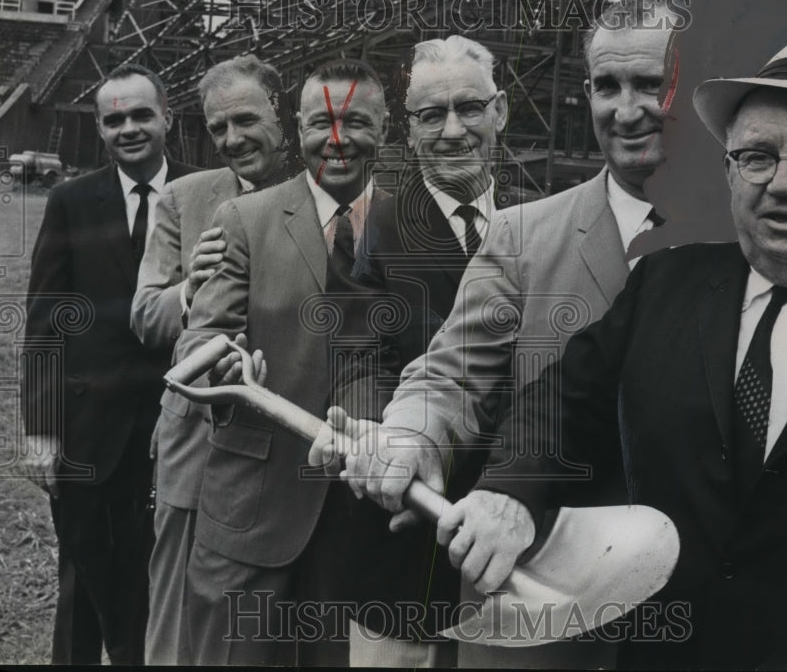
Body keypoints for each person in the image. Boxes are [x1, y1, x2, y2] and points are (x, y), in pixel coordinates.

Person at [434, 21, 787, 668]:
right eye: (757, 156)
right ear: (730, 172)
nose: (782, 182)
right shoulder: (665, 284)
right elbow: (561, 403)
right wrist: (510, 490)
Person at [324, 0, 679, 667]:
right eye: (608, 85)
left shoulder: (753, 235)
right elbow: (451, 370)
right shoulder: (523, 234)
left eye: (650, 84)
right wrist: (408, 431)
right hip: (534, 603)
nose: (627, 109)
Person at [173, 58, 389, 665]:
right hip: (251, 514)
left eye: (356, 122)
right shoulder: (246, 218)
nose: (338, 139)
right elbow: (197, 341)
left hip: (355, 522)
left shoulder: (410, 226)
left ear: (385, 128)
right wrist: (226, 365)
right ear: (298, 127)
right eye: (322, 122)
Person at [312, 36, 508, 666]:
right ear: (411, 129)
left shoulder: (540, 224)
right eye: (431, 115)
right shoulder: (372, 229)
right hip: (404, 538)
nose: (453, 131)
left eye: (470, 108)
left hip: (507, 535)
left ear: (500, 111)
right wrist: (377, 430)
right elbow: (359, 355)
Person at [20, 64, 199, 664]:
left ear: (167, 118)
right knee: (81, 582)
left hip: (173, 430)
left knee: (157, 583)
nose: (129, 128)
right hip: (87, 430)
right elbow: (45, 325)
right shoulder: (71, 201)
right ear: (99, 128)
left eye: (141, 115)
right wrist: (42, 431)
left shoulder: (206, 195)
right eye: (114, 119)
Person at [129, 55, 291, 665]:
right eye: (217, 128)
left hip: (288, 440)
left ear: (284, 113)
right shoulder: (183, 199)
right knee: (177, 617)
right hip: (196, 443)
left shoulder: (325, 194)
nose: (232, 139)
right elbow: (145, 316)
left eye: (246, 119)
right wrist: (190, 291)